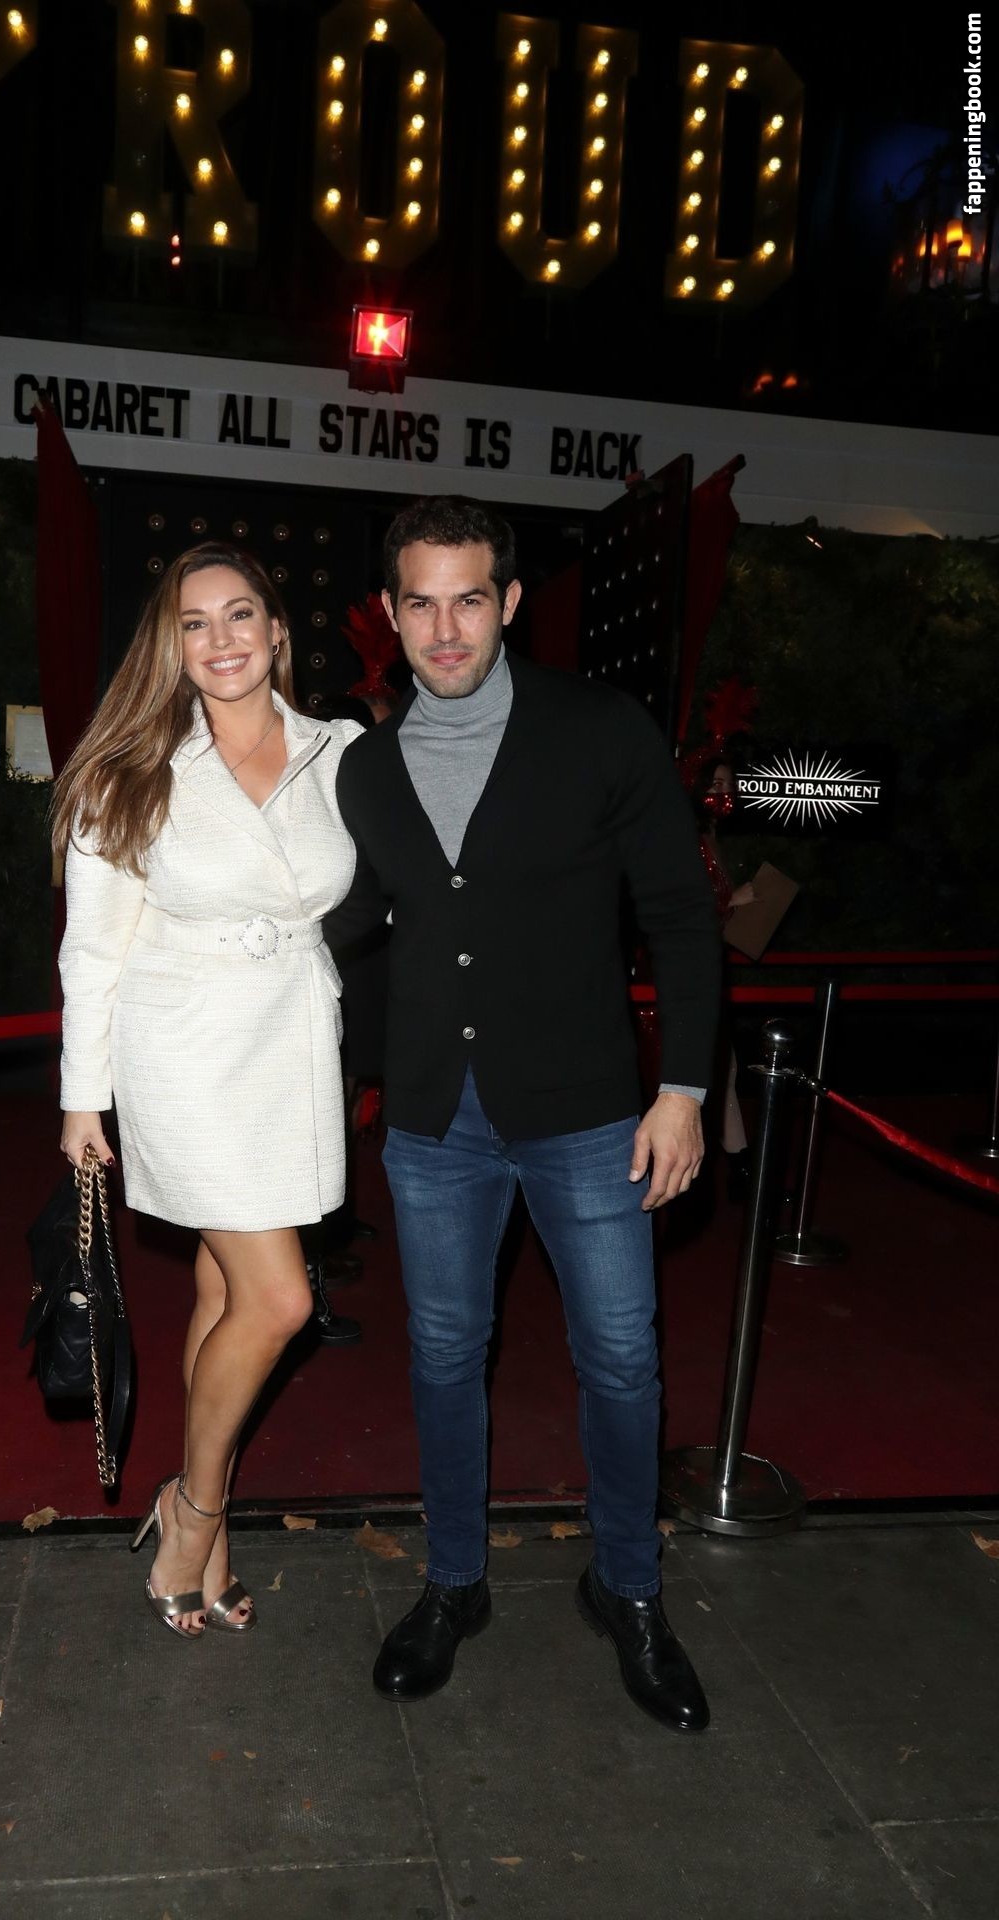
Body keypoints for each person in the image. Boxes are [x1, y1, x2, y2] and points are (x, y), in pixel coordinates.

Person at [325, 496, 722, 1730]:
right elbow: (341, 926)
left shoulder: (597, 729)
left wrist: (682, 1089)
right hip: (432, 1119)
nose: (445, 629)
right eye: (420, 602)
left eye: (468, 599)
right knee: (444, 1354)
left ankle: (629, 1588)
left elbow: (681, 917)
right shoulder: (364, 768)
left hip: (588, 1111)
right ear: (389, 614)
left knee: (620, 1358)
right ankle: (454, 1581)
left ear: (506, 603)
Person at [52, 542, 364, 1640]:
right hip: (182, 1050)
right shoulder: (130, 771)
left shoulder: (341, 752)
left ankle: (204, 1526)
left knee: (225, 1294)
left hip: (291, 1047)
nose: (221, 639)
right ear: (171, 647)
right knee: (280, 1301)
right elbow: (91, 951)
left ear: (277, 632)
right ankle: (195, 1507)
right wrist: (82, 1098)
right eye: (195, 623)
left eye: (241, 616)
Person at [693, 755, 757, 1195]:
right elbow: (682, 906)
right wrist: (733, 900)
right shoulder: (688, 837)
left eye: (729, 785)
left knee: (725, 1068)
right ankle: (735, 1171)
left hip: (711, 967)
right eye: (716, 784)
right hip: (683, 975)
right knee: (711, 1069)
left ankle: (741, 1169)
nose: (724, 794)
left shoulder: (711, 835)